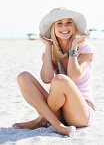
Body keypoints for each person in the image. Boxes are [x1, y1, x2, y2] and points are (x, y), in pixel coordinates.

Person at [13, 8, 95, 137]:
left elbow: (73, 75)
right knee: (23, 77)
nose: (64, 27)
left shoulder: (85, 49)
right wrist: (48, 47)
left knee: (61, 80)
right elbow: (46, 78)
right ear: (53, 28)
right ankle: (57, 125)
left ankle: (40, 120)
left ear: (74, 27)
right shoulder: (49, 52)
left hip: (80, 112)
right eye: (59, 23)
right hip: (58, 111)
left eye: (69, 22)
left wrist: (73, 46)